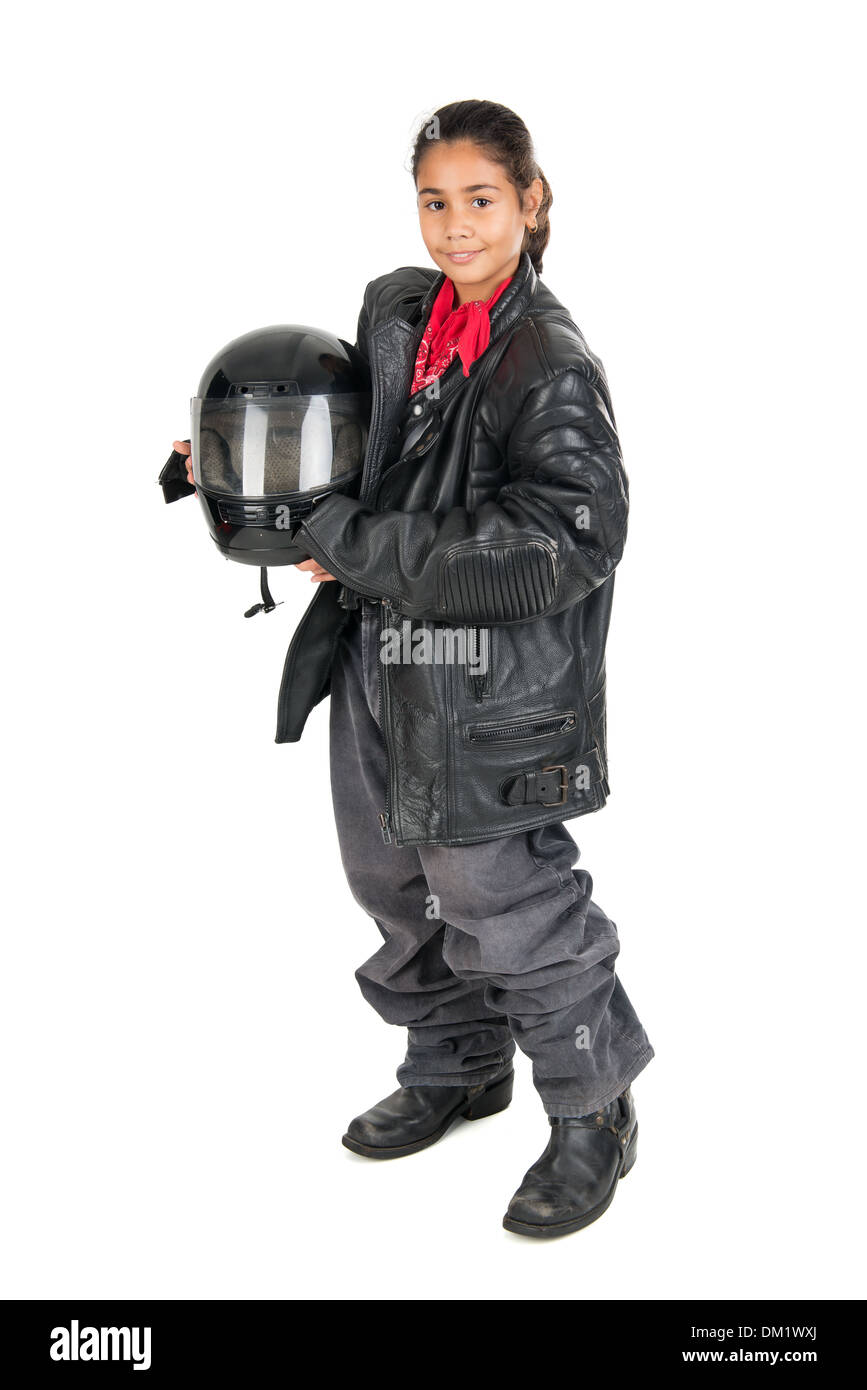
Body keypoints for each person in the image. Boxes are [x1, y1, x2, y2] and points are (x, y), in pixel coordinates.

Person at [174, 99, 654, 1239]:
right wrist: (250, 471)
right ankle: (456, 1057)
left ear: (531, 205)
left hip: (492, 684)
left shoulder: (550, 367)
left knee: (503, 892)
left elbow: (566, 543)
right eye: (435, 201)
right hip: (384, 657)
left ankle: (596, 1106)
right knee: (389, 874)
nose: (455, 227)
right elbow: (366, 445)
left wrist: (343, 537)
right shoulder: (401, 313)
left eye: (481, 200)